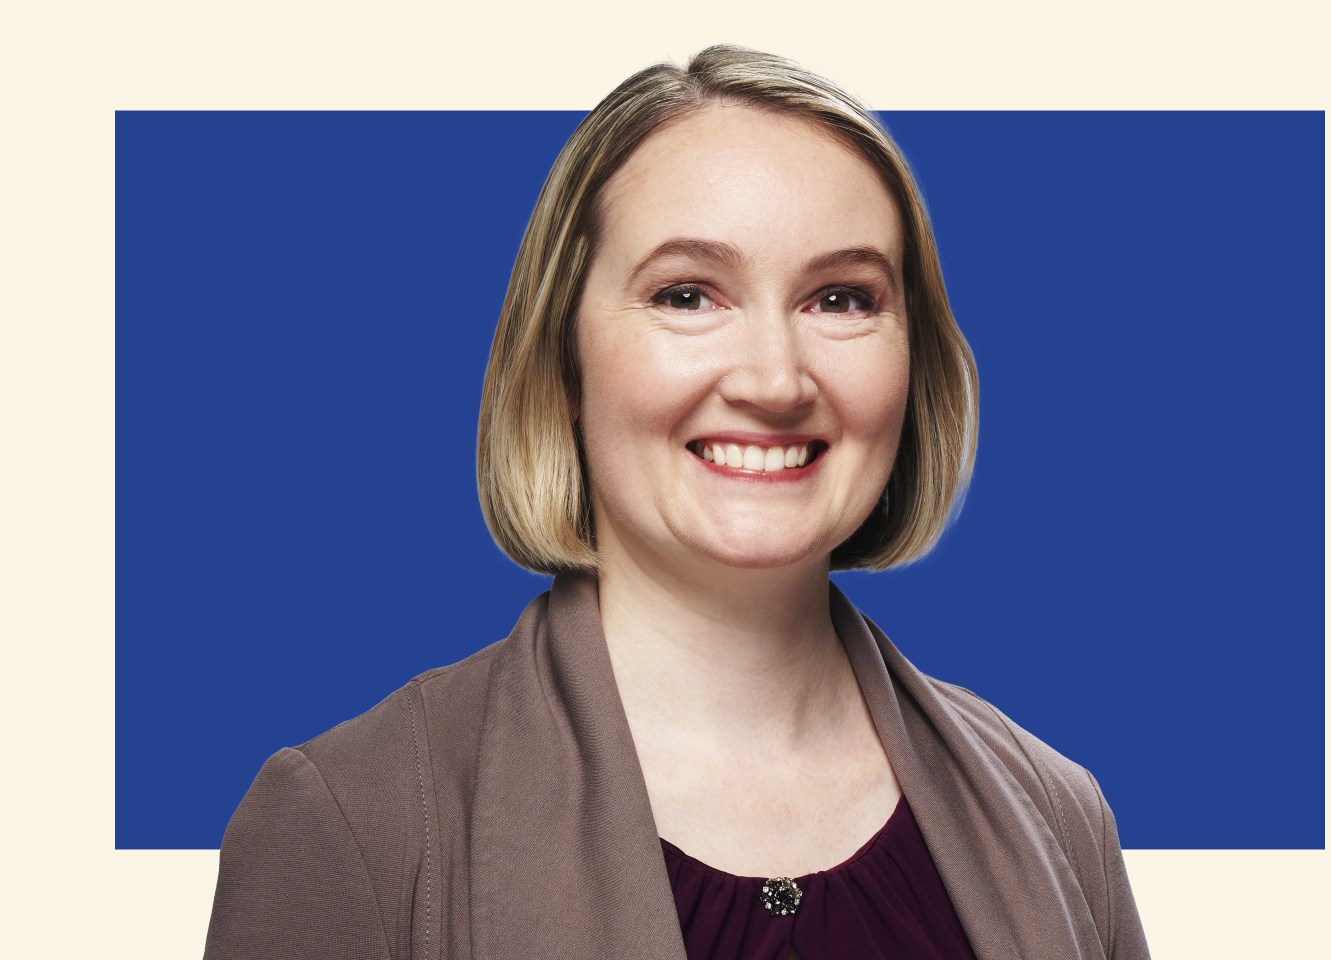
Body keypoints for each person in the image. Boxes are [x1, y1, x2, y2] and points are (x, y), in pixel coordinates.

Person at [204, 45, 1150, 960]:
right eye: (689, 294)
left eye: (843, 299)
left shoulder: (1061, 816)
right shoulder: (352, 822)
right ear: (564, 360)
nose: (776, 379)